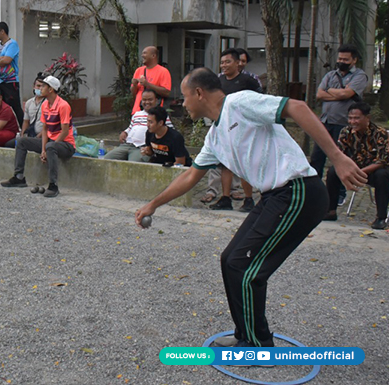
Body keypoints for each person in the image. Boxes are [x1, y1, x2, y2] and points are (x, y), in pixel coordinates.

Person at [134, 68, 366, 349]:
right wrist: (153, 205)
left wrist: (337, 158)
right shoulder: (215, 136)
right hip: (274, 196)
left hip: (298, 191)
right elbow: (190, 176)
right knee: (230, 259)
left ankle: (258, 345)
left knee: (244, 266)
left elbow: (297, 107)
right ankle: (245, 333)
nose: (182, 104)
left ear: (198, 93)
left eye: (184, 97)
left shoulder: (239, 103)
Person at [0, 75, 76, 198]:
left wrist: (49, 147)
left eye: (44, 86)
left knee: (51, 146)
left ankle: (53, 185)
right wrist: (43, 150)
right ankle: (19, 177)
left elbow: (65, 131)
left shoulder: (63, 106)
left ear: (50, 89)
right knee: (21, 141)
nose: (41, 88)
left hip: (66, 144)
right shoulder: (45, 105)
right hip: (50, 142)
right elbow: (45, 129)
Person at [313, 44, 369, 205]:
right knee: (317, 158)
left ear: (354, 60)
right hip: (325, 123)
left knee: (341, 159)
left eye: (345, 59)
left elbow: (348, 93)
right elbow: (319, 94)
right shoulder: (331, 75)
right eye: (339, 58)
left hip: (343, 125)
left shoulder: (360, 76)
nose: (341, 61)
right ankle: (314, 192)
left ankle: (339, 194)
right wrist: (340, 94)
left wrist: (331, 91)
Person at [209, 48, 263, 212]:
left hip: (244, 129)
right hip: (223, 127)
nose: (224, 65)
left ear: (237, 63)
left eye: (228, 62)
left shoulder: (248, 81)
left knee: (244, 165)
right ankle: (225, 198)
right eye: (222, 62)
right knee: (225, 164)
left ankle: (248, 199)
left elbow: (259, 102)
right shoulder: (218, 81)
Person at [323, 102, 389, 229]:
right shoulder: (346, 132)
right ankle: (330, 210)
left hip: (374, 171)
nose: (353, 121)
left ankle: (381, 217)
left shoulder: (380, 133)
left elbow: (382, 161)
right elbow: (339, 153)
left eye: (357, 118)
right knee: (332, 171)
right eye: (350, 118)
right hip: (353, 169)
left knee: (382, 175)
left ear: (367, 118)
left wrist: (359, 172)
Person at [104, 89, 173, 162]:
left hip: (142, 147)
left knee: (133, 165)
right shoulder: (136, 114)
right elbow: (130, 127)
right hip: (127, 145)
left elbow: (170, 132)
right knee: (106, 159)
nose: (147, 102)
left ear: (156, 100)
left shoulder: (160, 115)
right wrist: (125, 132)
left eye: (150, 100)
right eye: (144, 100)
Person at [0, 21, 24, 128]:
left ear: (2, 31)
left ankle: (23, 130)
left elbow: (7, 60)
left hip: (10, 81)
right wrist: (0, 59)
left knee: (15, 106)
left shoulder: (12, 44)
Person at [130, 46, 171, 113]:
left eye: (145, 53)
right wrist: (134, 85)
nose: (142, 55)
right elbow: (133, 93)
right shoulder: (138, 70)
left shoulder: (163, 71)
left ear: (153, 55)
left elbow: (166, 92)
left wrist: (147, 84)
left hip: (154, 112)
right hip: (138, 110)